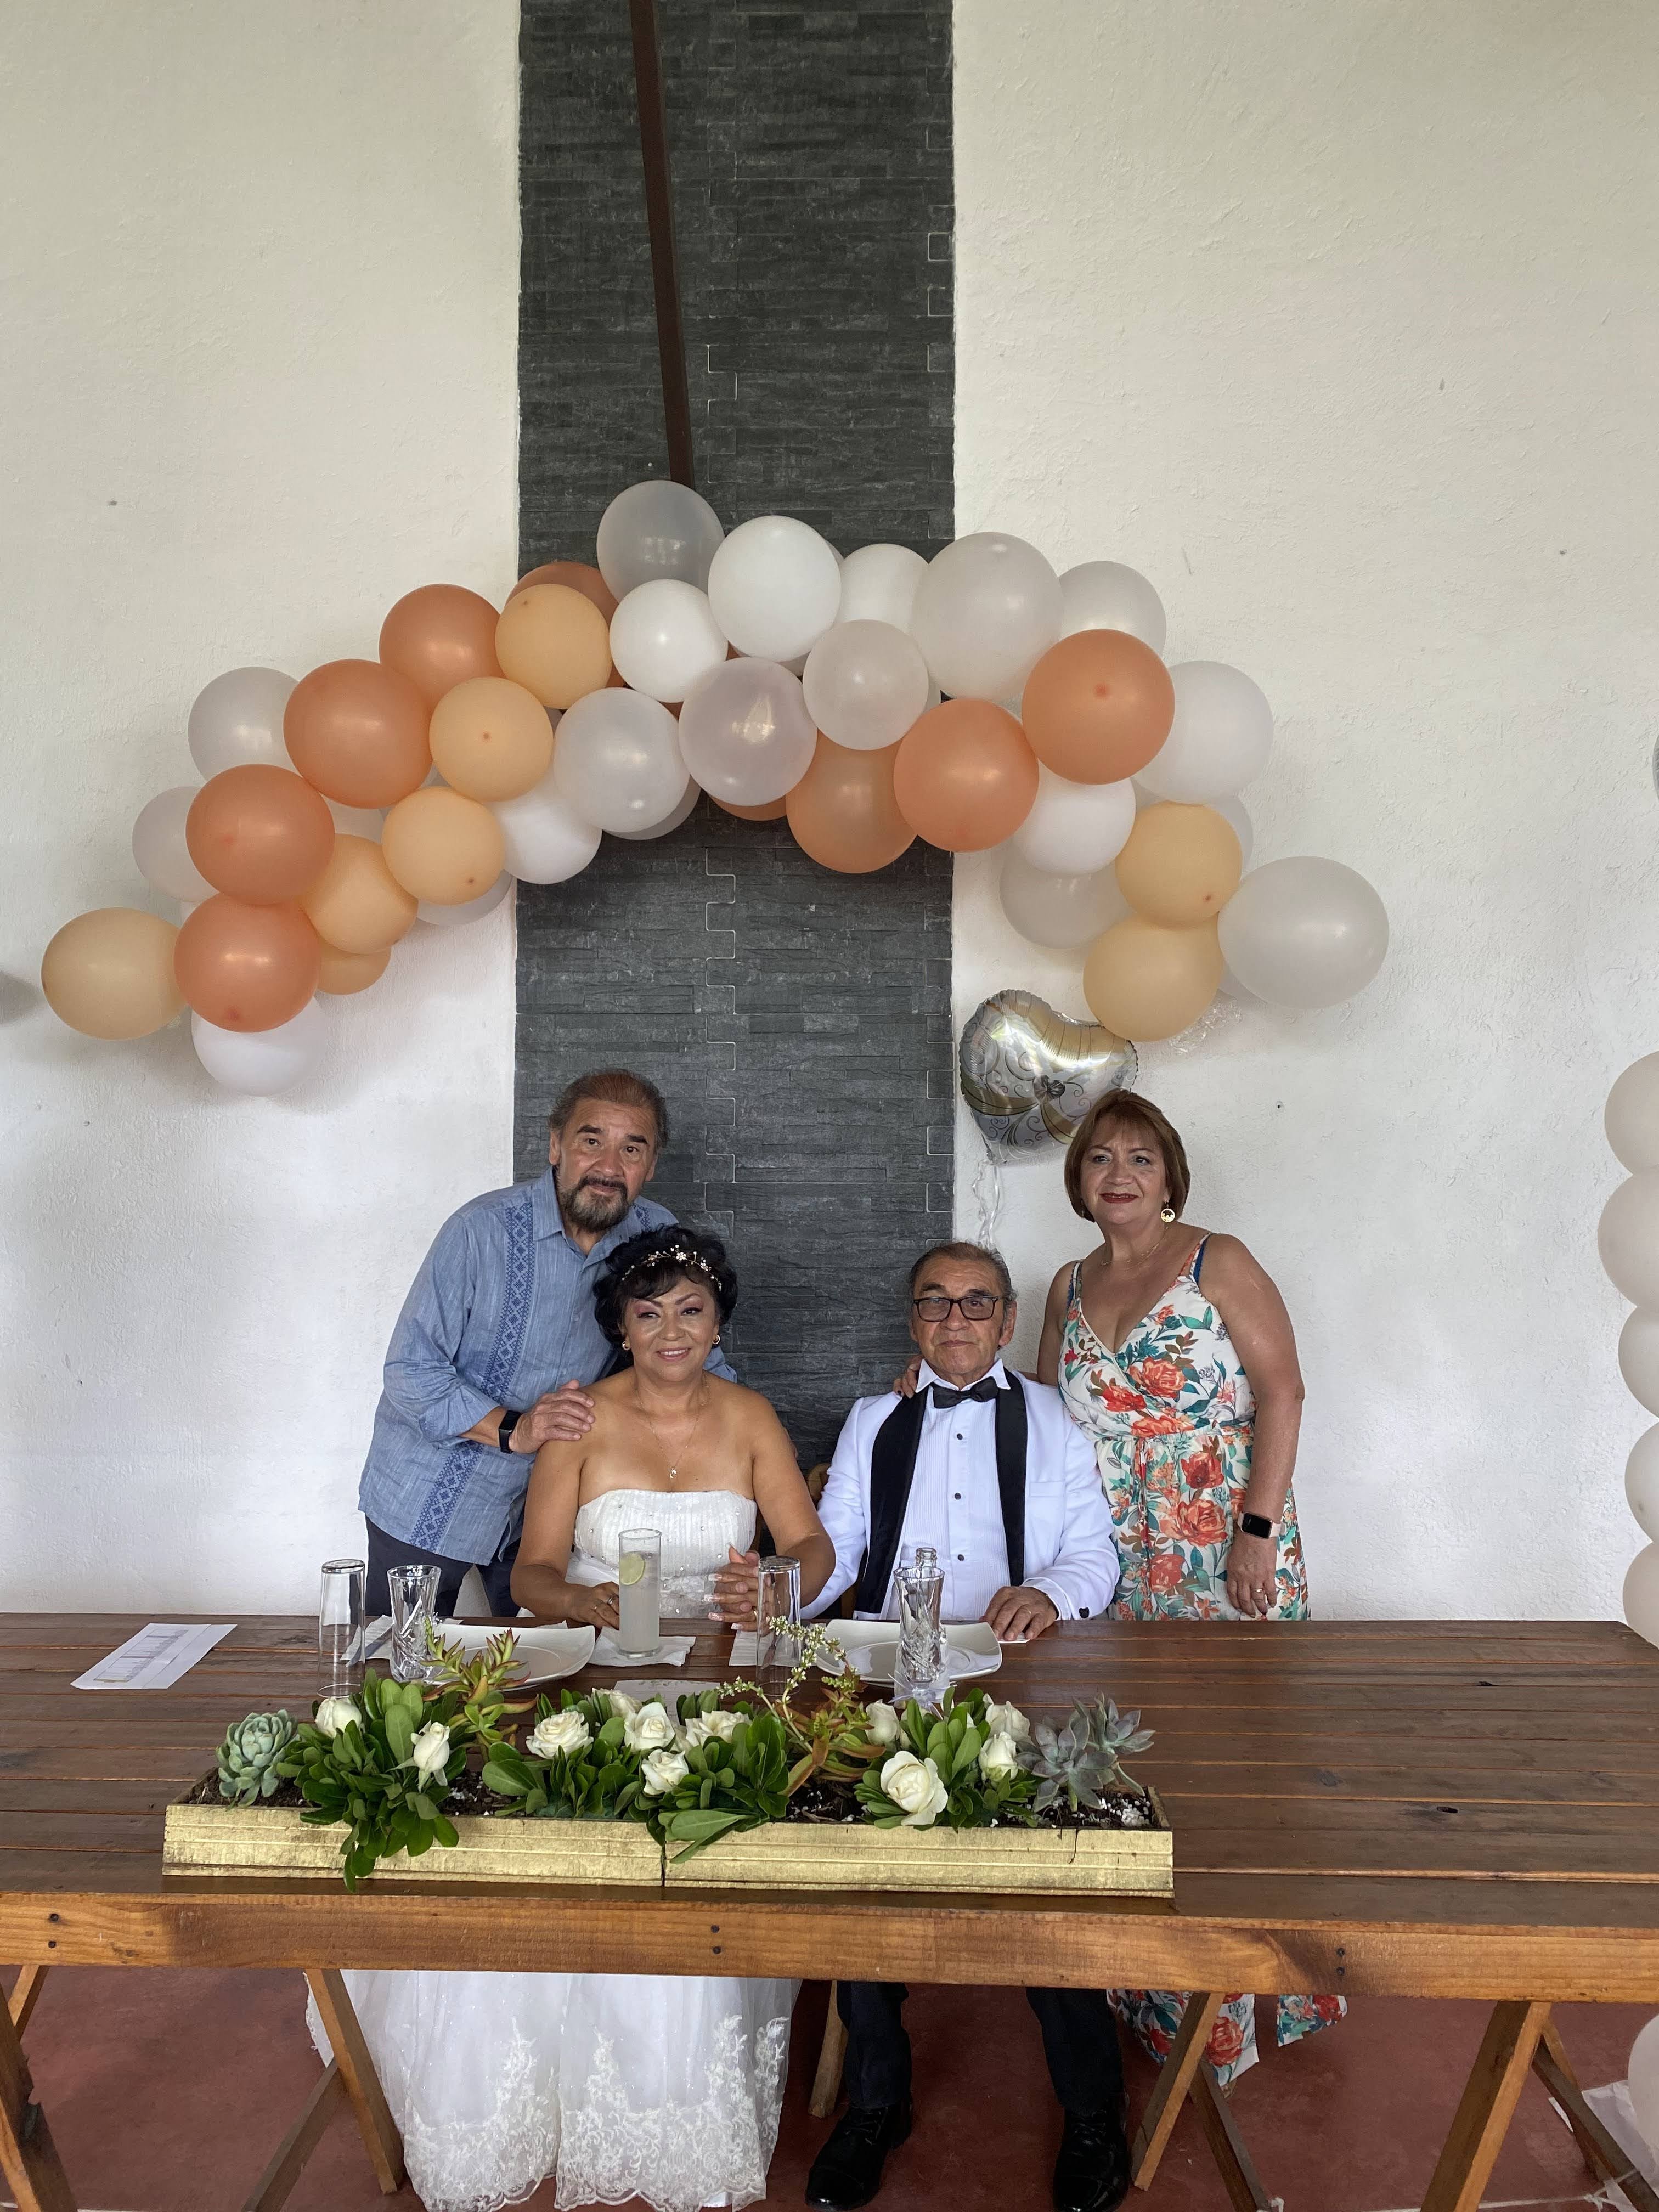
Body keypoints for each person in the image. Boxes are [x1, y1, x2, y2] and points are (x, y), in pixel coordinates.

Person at [325, 1228, 833, 2212]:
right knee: (554, 1834)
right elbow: (532, 1572)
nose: (671, 1330)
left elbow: (810, 1545)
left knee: (691, 1846)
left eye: (690, 1310)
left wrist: (774, 1583)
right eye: (649, 1313)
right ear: (622, 1328)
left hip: (716, 1679)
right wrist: (578, 1602)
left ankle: (665, 2093)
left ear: (717, 1324)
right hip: (591, 1672)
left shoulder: (751, 1417)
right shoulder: (578, 1420)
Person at [804, 1241, 1130, 2212]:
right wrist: (778, 1591)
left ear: (1007, 1318)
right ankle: (877, 2102)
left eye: (975, 1302)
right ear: (913, 1319)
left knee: (1048, 1892)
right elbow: (836, 1551)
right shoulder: (873, 1419)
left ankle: (1093, 2113)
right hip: (892, 1684)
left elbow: (1095, 1554)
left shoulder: (1055, 1417)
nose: (955, 1319)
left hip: (1021, 1684)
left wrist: (1049, 1593)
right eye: (935, 1302)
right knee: (861, 1884)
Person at [1037, 1087, 1344, 2083]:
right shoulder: (1066, 1283)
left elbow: (1282, 1391)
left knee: (1239, 1764)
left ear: (1169, 1175)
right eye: (1099, 1158)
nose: (1118, 1174)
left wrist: (1256, 1531)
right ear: (1079, 1179)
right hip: (1109, 1551)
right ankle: (1156, 1991)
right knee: (1129, 1758)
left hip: (1221, 1541)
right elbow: (1043, 1420)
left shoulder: (1219, 1260)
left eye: (1139, 1157)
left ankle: (1262, 1992)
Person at [356, 1067, 733, 1617]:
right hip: (430, 1493)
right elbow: (410, 1369)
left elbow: (696, 1359)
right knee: (401, 1657)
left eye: (632, 1149)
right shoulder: (479, 1230)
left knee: (547, 1660)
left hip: (552, 1512)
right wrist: (516, 1428)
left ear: (651, 1166)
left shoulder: (656, 1235)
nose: (609, 1167)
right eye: (591, 1141)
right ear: (556, 1146)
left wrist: (756, 1441)